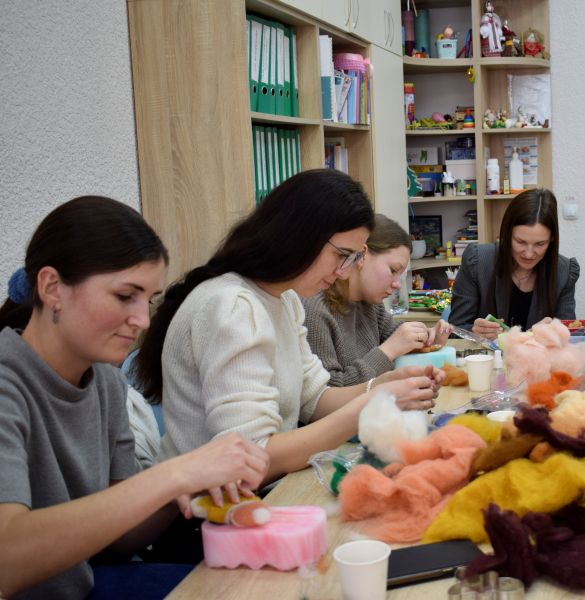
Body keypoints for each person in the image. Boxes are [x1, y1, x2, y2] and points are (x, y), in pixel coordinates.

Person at [0, 196, 268, 600]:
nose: (143, 320)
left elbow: (118, 541)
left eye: (149, 299)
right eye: (126, 296)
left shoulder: (106, 381)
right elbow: (7, 559)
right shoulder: (7, 384)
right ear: (52, 288)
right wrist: (172, 475)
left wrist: (186, 489)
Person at [135, 169, 442, 485]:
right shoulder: (233, 307)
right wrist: (370, 402)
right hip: (210, 507)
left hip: (263, 490)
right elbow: (249, 457)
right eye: (342, 255)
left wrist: (380, 387)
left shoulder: (286, 299)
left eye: (353, 258)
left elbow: (315, 398)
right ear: (299, 235)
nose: (343, 272)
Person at [303, 214, 452, 387]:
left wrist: (428, 338)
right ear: (362, 255)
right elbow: (328, 392)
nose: (397, 284)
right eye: (393, 270)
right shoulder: (314, 308)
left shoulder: (370, 304)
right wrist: (389, 350)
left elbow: (397, 338)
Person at [449, 188, 580, 339]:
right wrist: (474, 333)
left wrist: (553, 335)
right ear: (507, 234)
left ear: (552, 239)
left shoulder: (564, 273)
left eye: (540, 244)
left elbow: (569, 336)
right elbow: (454, 331)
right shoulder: (478, 262)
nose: (529, 254)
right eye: (520, 242)